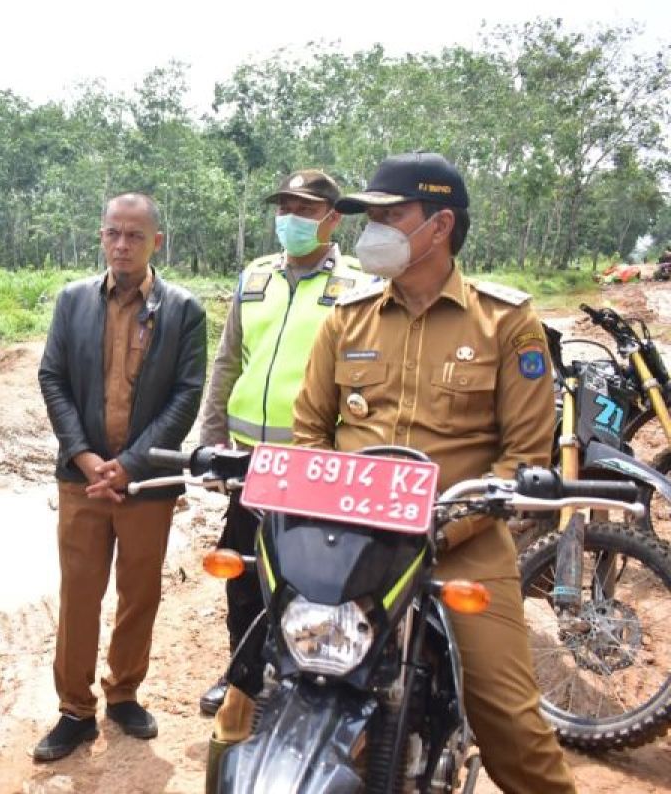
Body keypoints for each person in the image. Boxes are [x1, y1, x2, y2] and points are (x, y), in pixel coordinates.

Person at [291, 152, 575, 793]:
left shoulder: (506, 322)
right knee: (266, 686)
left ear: (440, 225)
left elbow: (524, 459)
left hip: (458, 547)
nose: (374, 231)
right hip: (350, 547)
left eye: (391, 216)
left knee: (508, 721)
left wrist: (440, 528)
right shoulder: (347, 317)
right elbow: (311, 429)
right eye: (372, 217)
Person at [34, 192, 207, 762]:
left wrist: (130, 463)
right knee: (79, 594)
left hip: (146, 483)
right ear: (102, 237)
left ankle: (124, 693)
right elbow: (52, 377)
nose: (123, 245)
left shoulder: (184, 310)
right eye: (113, 233)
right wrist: (83, 455)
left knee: (140, 592)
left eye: (135, 235)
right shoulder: (73, 300)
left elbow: (186, 396)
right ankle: (74, 710)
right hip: (81, 480)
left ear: (157, 240)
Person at [197, 169, 366, 720]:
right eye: (285, 207)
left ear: (332, 218)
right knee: (244, 572)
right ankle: (242, 677)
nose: (291, 218)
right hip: (248, 462)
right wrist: (212, 436)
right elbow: (227, 360)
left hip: (313, 464)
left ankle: (303, 679)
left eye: (306, 208)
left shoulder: (358, 287)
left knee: (307, 579)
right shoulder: (256, 276)